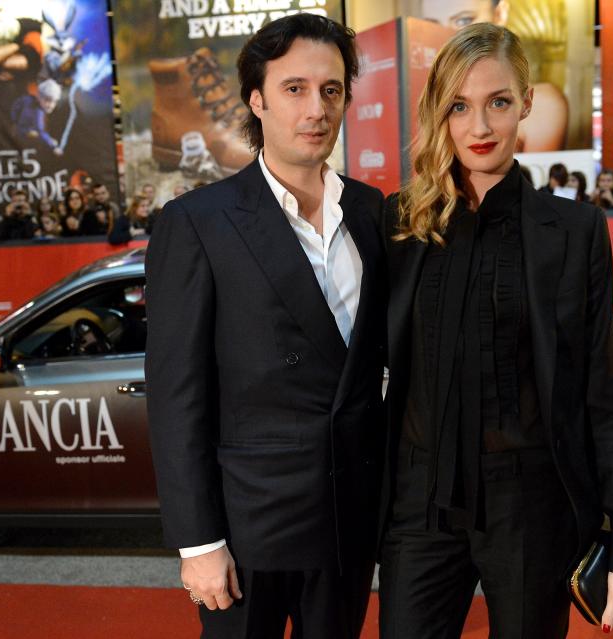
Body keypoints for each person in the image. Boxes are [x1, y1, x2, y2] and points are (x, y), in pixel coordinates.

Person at [378, 24, 613, 638]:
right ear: (439, 112)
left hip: (530, 507)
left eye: (498, 103)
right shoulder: (400, 225)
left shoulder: (576, 231)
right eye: (459, 105)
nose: (479, 127)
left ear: (526, 102)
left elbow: (598, 395)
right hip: (419, 504)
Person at [146, 14, 385, 639]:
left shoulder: (374, 212)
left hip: (348, 523)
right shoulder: (198, 221)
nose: (316, 108)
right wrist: (198, 541)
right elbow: (177, 396)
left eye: (331, 90)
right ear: (258, 99)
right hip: (249, 528)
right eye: (295, 88)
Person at [419, 0, 569, 151]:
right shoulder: (422, 104)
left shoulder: (542, 105)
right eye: (433, 25)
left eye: (463, 20)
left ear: (500, 14)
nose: (447, 37)